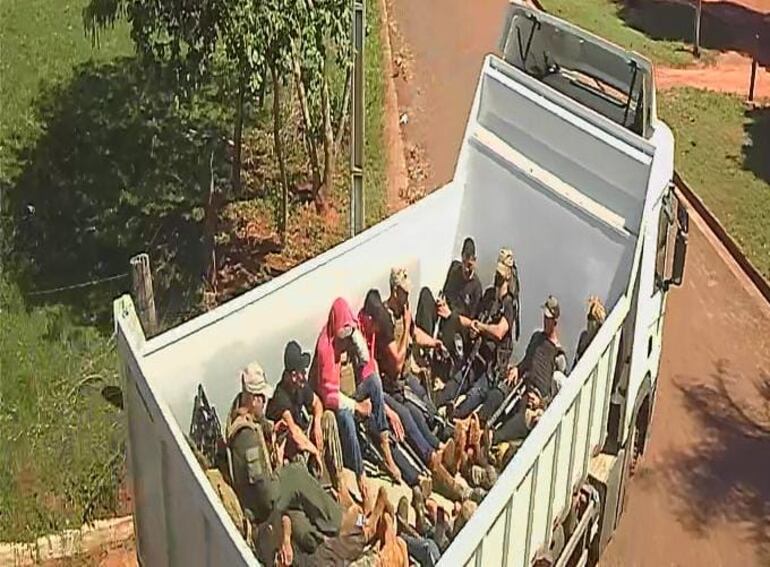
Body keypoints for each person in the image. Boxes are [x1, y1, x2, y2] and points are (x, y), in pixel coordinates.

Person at [369, 271, 475, 502]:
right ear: (395, 291)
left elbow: (415, 335)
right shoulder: (386, 320)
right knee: (412, 417)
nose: (408, 297)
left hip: (407, 379)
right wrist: (406, 327)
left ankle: (449, 450)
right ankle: (434, 460)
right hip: (393, 384)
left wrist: (434, 342)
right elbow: (395, 363)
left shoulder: (403, 311)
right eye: (405, 292)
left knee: (429, 407)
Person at [226, 362, 343, 556]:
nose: (264, 403)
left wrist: (273, 435)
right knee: (295, 473)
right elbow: (264, 494)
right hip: (262, 506)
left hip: (264, 500)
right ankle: (336, 519)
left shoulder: (243, 420)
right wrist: (280, 469)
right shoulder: (246, 436)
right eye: (262, 399)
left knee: (303, 525)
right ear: (254, 399)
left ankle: (318, 535)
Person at [312, 297, 401, 499]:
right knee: (345, 417)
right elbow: (329, 396)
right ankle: (361, 476)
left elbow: (366, 361)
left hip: (352, 390)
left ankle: (384, 444)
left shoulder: (350, 331)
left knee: (375, 381)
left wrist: (355, 337)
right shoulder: (325, 347)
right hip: (338, 399)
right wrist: (357, 406)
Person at [435, 248, 520, 421]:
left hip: (493, 366)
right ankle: (434, 403)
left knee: (475, 394)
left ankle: (455, 422)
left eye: (502, 275)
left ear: (509, 275)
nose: (498, 277)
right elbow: (475, 320)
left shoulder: (509, 304)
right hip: (477, 355)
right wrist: (474, 329)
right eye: (498, 273)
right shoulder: (489, 296)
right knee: (457, 382)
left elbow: (499, 331)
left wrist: (480, 327)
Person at [266, 340, 350, 502]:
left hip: (304, 433)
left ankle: (340, 483)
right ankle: (319, 496)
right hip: (290, 447)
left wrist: (317, 424)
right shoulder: (280, 398)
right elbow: (294, 432)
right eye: (301, 372)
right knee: (299, 456)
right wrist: (314, 451)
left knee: (328, 418)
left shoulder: (300, 386)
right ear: (292, 375)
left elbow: (317, 403)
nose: (305, 375)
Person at [492, 295, 567, 446]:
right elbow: (526, 363)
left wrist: (541, 402)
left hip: (536, 406)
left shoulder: (558, 355)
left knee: (513, 427)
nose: (545, 321)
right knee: (496, 397)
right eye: (544, 317)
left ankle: (492, 438)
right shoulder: (536, 338)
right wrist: (516, 370)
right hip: (521, 391)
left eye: (549, 319)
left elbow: (559, 395)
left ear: (555, 322)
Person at [573, 296, 606, 369]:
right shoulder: (583, 336)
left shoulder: (600, 341)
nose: (589, 322)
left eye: (592, 318)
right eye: (589, 317)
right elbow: (576, 361)